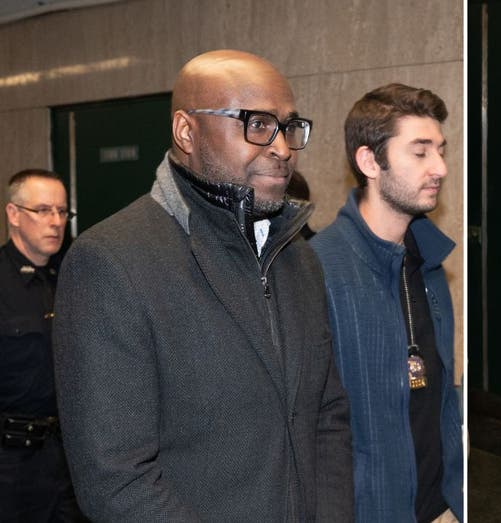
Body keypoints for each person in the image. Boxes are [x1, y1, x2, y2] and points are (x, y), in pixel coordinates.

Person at [52, 50, 353, 521]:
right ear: (186, 131)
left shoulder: (300, 260)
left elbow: (327, 416)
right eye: (257, 124)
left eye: (289, 127)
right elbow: (117, 480)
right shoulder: (110, 262)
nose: (281, 147)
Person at [310, 83, 463, 522]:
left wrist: (454, 501)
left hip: (440, 509)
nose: (439, 167)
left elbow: (438, 400)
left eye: (440, 150)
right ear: (369, 161)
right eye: (420, 152)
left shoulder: (430, 262)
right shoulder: (318, 269)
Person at [1, 169, 85, 521]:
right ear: (14, 214)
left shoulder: (73, 278)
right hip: (10, 467)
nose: (56, 222)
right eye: (44, 211)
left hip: (68, 461)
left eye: (63, 212)